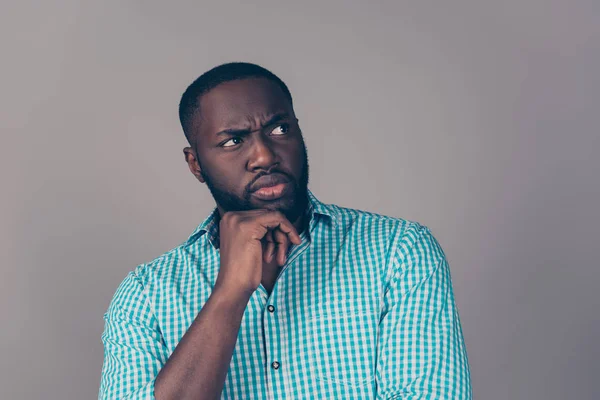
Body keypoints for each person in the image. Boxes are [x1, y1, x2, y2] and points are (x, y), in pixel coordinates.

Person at [99, 62, 472, 399]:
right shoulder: (144, 297)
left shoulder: (399, 252)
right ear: (196, 165)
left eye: (279, 128)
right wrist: (228, 295)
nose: (264, 156)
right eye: (233, 141)